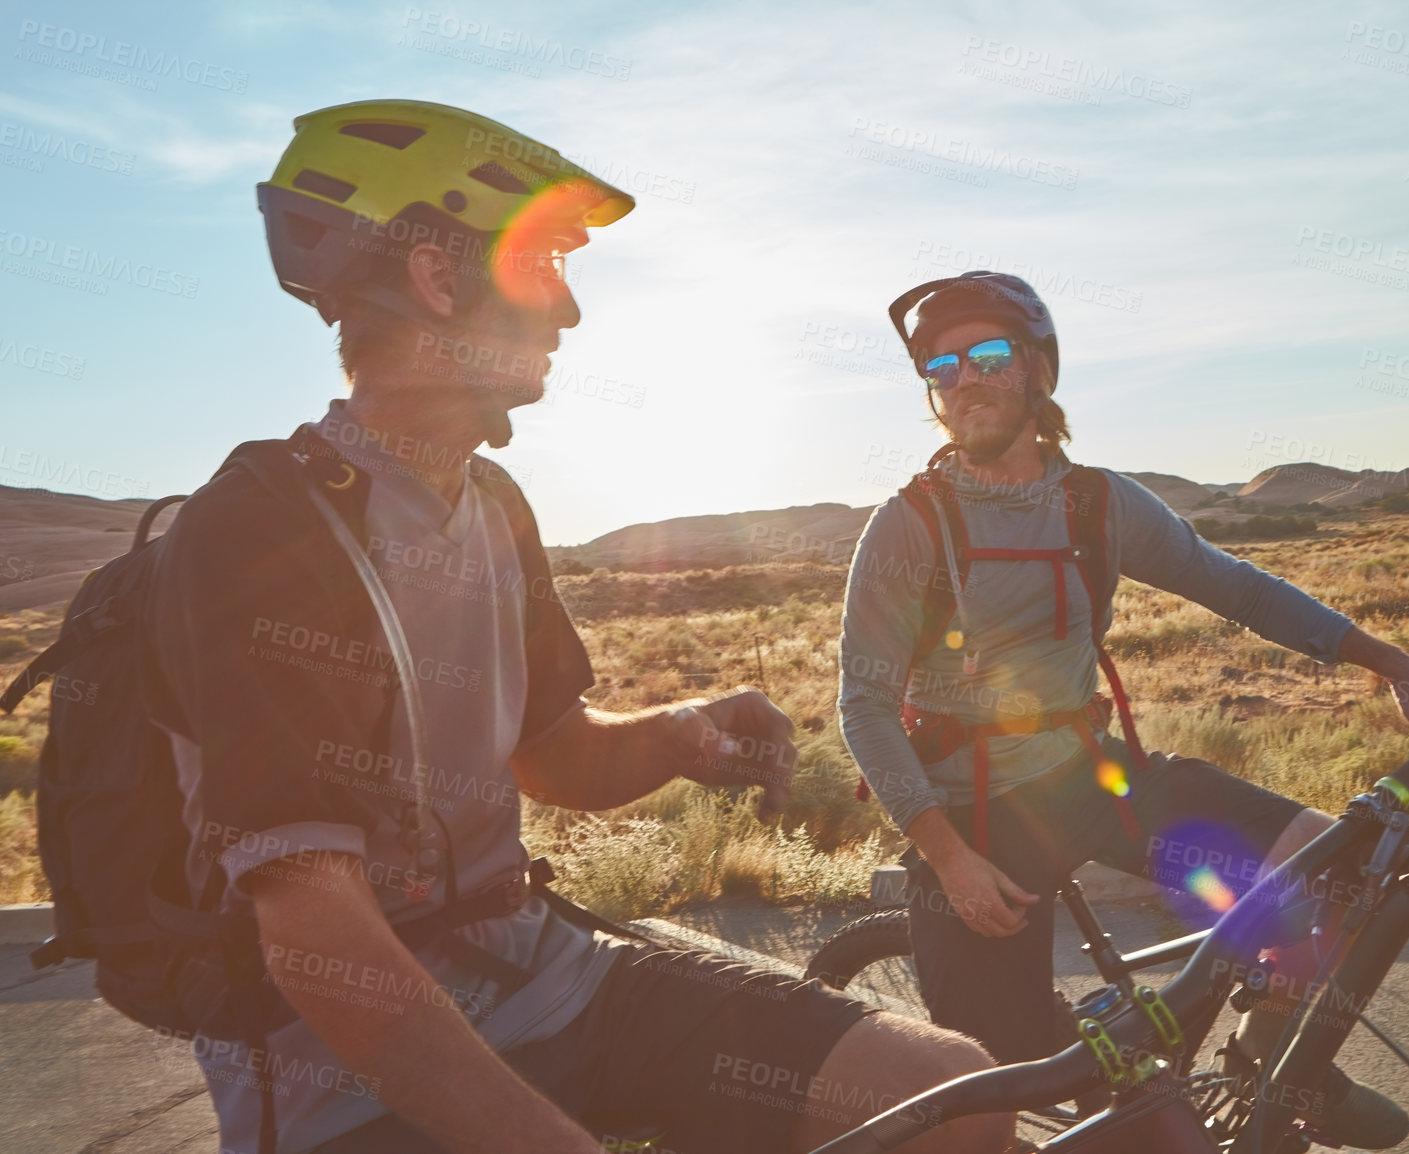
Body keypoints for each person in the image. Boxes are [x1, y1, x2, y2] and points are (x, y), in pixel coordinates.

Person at [141, 101, 1011, 1154]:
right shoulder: (263, 526)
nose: (566, 311)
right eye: (541, 265)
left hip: (540, 970)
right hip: (342, 1071)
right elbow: (315, 934)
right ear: (435, 276)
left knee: (955, 1098)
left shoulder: (493, 503)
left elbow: (556, 757)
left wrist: (688, 729)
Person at [838, 270, 1409, 1149]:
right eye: (941, 369)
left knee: (1340, 871)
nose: (963, 379)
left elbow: (1235, 587)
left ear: (1037, 373)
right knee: (997, 1079)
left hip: (1090, 773)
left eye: (986, 355)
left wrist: (1393, 664)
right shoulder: (910, 524)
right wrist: (947, 859)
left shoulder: (1096, 503)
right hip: (971, 813)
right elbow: (862, 705)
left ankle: (1279, 1069)